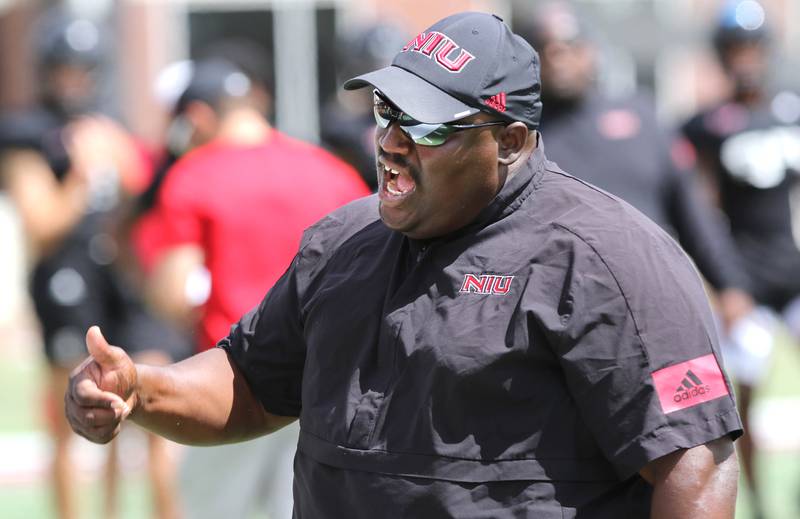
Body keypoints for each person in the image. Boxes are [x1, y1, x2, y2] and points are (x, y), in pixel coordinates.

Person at [66, 12, 741, 517]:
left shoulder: (607, 258)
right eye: (387, 112)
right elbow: (250, 379)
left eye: (425, 124)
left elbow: (694, 464)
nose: (389, 141)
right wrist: (141, 390)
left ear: (509, 140)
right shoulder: (342, 241)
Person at [132, 56, 370, 518]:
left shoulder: (194, 174)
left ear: (197, 116)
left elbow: (171, 295)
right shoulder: (330, 169)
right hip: (327, 386)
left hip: (237, 387)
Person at [0, 9, 186, 519]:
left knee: (117, 414)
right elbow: (41, 222)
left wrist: (123, 169)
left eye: (80, 71)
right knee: (66, 417)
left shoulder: (110, 125)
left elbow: (133, 207)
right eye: (64, 70)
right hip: (64, 279)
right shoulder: (26, 133)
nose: (72, 82)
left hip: (114, 279)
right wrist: (84, 175)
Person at [519, 2, 755, 369]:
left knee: (697, 415)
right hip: (565, 312)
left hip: (657, 300)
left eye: (569, 46)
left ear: (592, 50)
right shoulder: (523, 138)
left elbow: (692, 212)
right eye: (545, 49)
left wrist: (730, 285)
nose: (557, 58)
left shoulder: (643, 117)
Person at [681, 2, 800, 517]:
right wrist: (721, 285)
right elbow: (700, 211)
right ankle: (763, 503)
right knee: (741, 401)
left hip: (794, 270)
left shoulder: (791, 109)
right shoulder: (706, 126)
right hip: (744, 280)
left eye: (750, 46)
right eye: (734, 48)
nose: (744, 58)